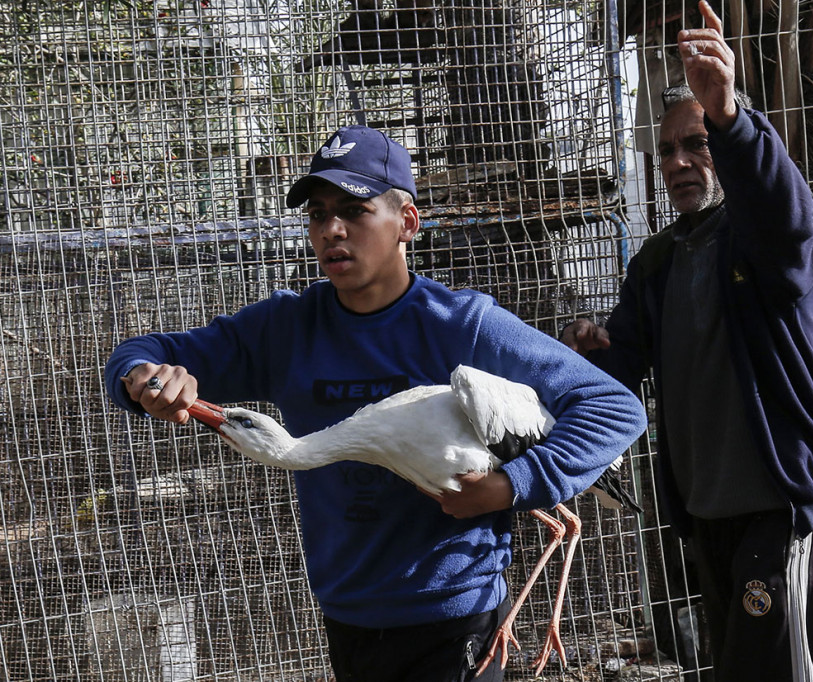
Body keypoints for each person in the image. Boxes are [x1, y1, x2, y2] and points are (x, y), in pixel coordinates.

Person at [105, 124, 648, 682]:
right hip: (347, 620)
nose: (330, 230)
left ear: (406, 223)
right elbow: (141, 352)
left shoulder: (464, 326)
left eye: (354, 210)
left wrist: (510, 487)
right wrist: (141, 375)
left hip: (458, 623)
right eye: (317, 214)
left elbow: (615, 408)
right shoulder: (286, 329)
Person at [560, 2, 813, 681]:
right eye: (666, 150)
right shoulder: (659, 261)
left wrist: (726, 115)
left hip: (780, 511)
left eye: (696, 144)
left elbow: (782, 212)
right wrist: (584, 353)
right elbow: (622, 364)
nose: (679, 162)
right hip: (706, 518)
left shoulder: (766, 241)